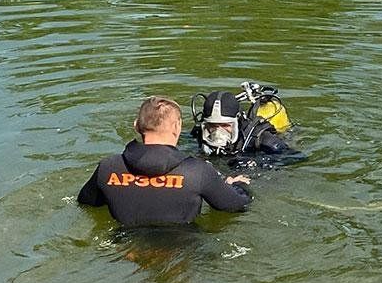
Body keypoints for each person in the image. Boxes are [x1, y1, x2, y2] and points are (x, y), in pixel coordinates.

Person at [77, 96, 252, 228]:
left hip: (126, 254)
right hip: (182, 253)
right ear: (177, 127)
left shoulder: (108, 168)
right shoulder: (198, 172)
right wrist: (236, 186)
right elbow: (235, 206)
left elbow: (85, 203)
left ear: (136, 126)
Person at [191, 89, 291, 157]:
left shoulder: (263, 140)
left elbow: (294, 159)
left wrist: (256, 164)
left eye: (225, 125)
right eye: (212, 125)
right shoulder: (200, 134)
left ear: (237, 122)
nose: (218, 132)